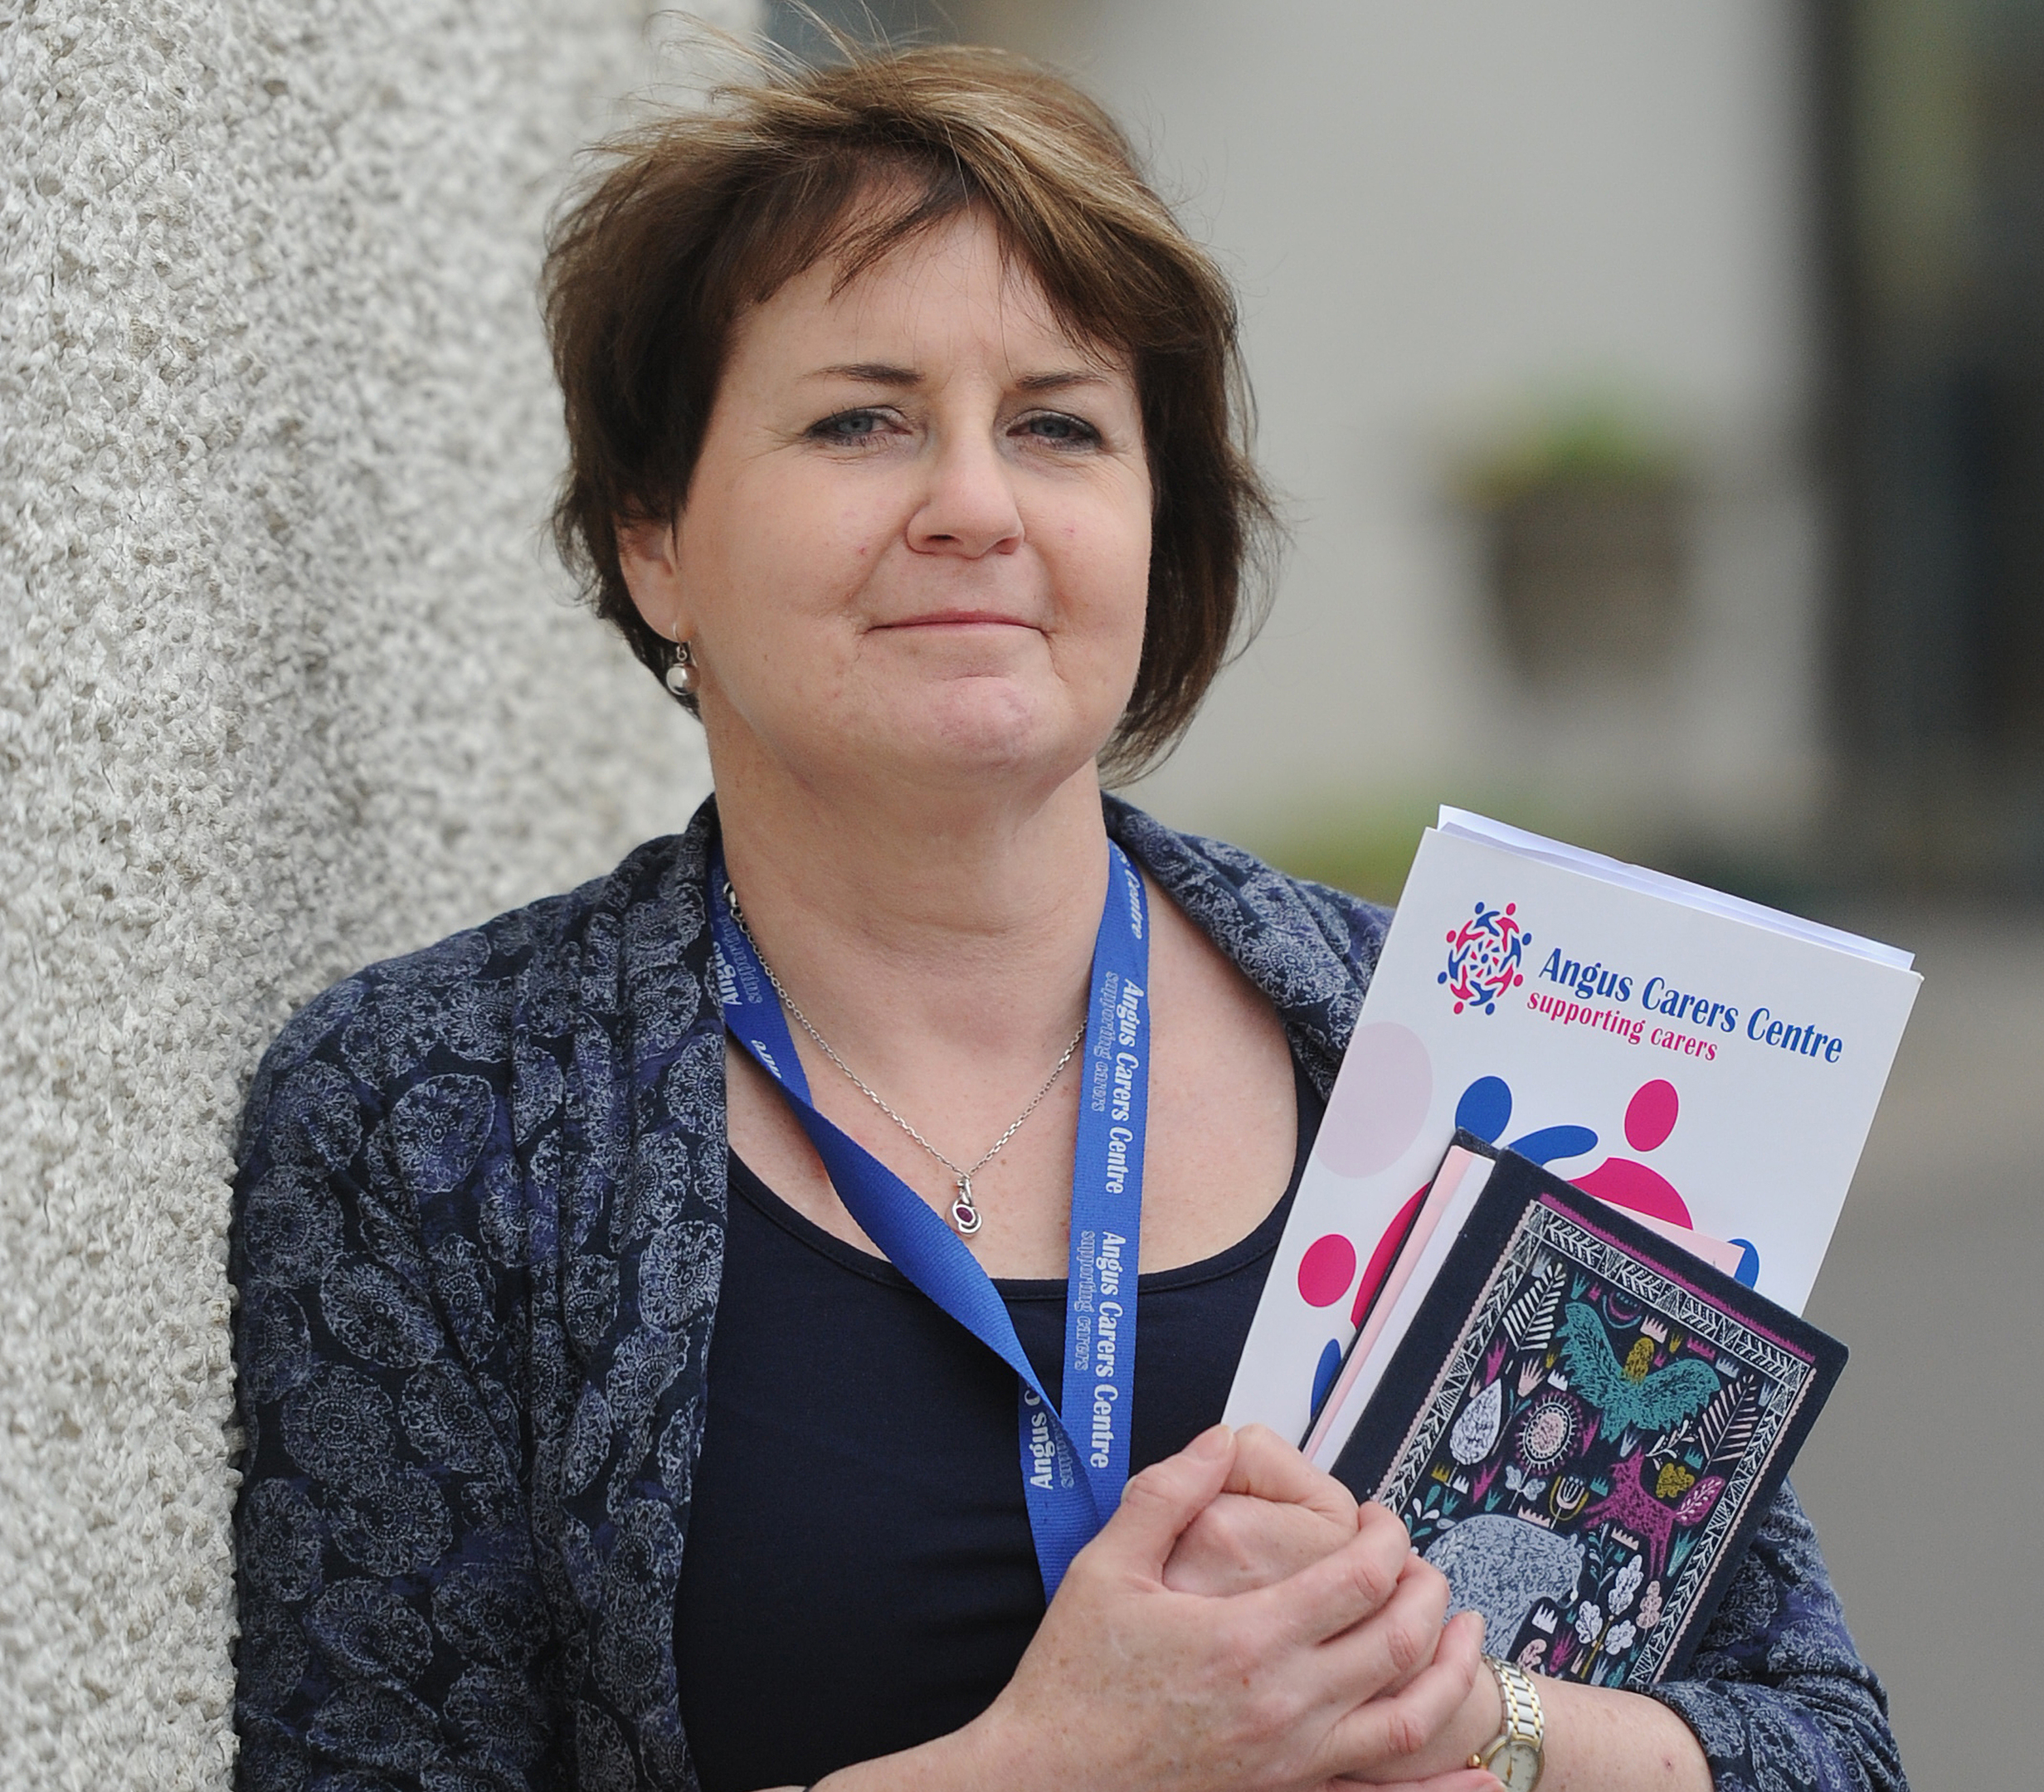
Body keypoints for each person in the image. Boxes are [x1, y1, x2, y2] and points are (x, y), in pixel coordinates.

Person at [226, 44, 1907, 1792]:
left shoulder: (1477, 1033)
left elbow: (1823, 1747)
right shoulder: (435, 1113)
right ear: (655, 537)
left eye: (1058, 426)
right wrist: (1066, 1763)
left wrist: (1477, 1727)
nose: (975, 504)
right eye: (860, 420)